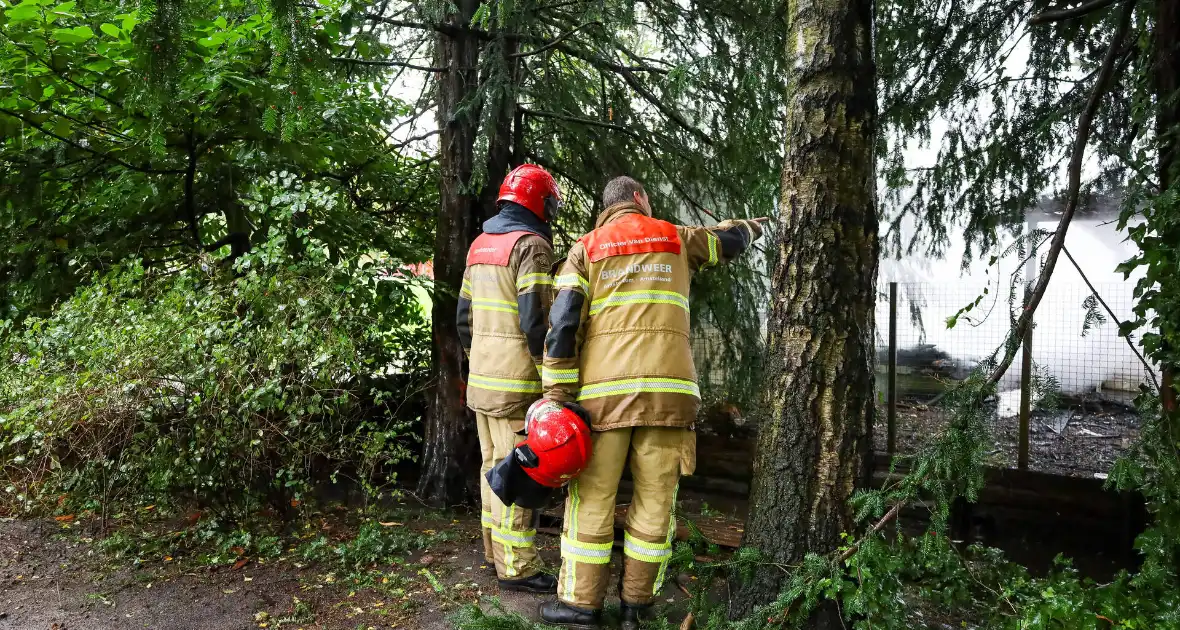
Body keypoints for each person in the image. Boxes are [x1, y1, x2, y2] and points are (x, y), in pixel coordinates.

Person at [538, 176, 766, 628]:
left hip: (603, 403)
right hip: (670, 399)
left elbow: (563, 325)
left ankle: (581, 605)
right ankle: (636, 608)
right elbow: (727, 240)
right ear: (639, 199)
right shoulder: (675, 238)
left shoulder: (584, 250)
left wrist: (558, 396)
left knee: (593, 500)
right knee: (656, 502)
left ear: (606, 207)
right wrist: (754, 227)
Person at [457, 164, 562, 593]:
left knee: (491, 470)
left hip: (483, 382)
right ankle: (517, 567)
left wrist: (478, 363)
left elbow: (463, 319)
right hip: (518, 388)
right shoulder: (531, 246)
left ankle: (493, 552)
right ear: (540, 203)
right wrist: (553, 382)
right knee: (519, 473)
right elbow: (535, 320)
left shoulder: (480, 244)